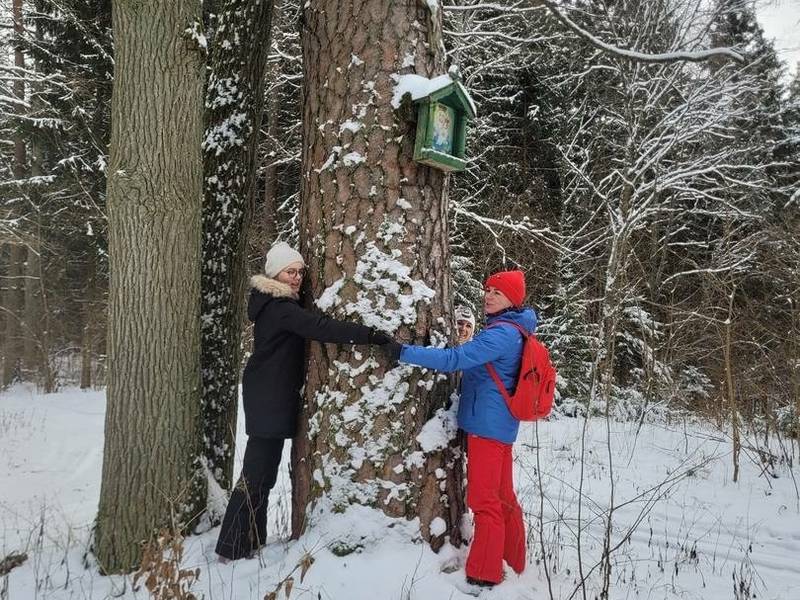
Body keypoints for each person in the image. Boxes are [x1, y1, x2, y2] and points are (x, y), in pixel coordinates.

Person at [215, 241, 392, 562]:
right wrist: (370, 334)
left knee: (262, 473)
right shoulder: (281, 308)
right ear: (275, 274)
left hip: (267, 393)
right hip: (269, 396)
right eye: (289, 272)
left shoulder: (273, 303)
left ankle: (248, 541)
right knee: (257, 473)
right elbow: (320, 327)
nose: (296, 278)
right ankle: (233, 546)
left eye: (299, 272)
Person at [383, 270, 536, 588]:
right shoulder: (514, 330)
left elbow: (455, 359)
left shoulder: (501, 334)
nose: (489, 295)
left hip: (487, 429)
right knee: (504, 496)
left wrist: (403, 352)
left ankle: (484, 572)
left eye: (498, 292)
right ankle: (514, 559)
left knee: (484, 501)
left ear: (513, 300)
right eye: (488, 289)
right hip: (499, 425)